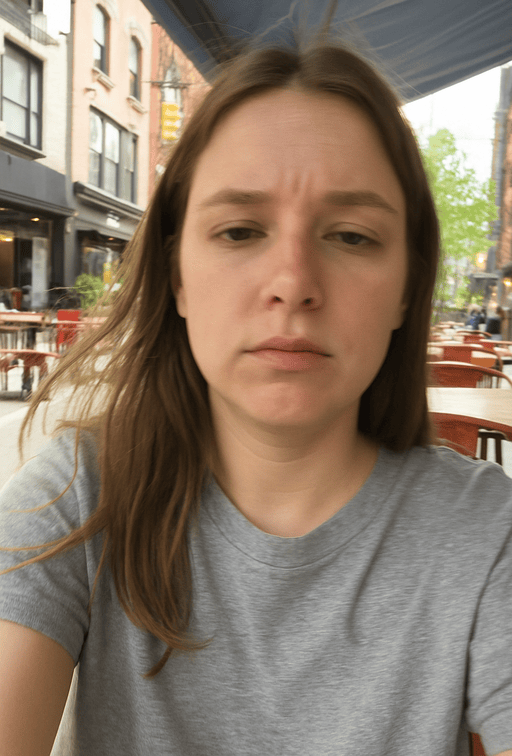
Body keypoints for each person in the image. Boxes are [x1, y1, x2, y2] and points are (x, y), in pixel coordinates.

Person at [1, 39, 511, 756]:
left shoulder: (487, 532)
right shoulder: (76, 497)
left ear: (407, 286)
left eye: (352, 236)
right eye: (239, 231)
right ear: (178, 275)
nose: (293, 281)